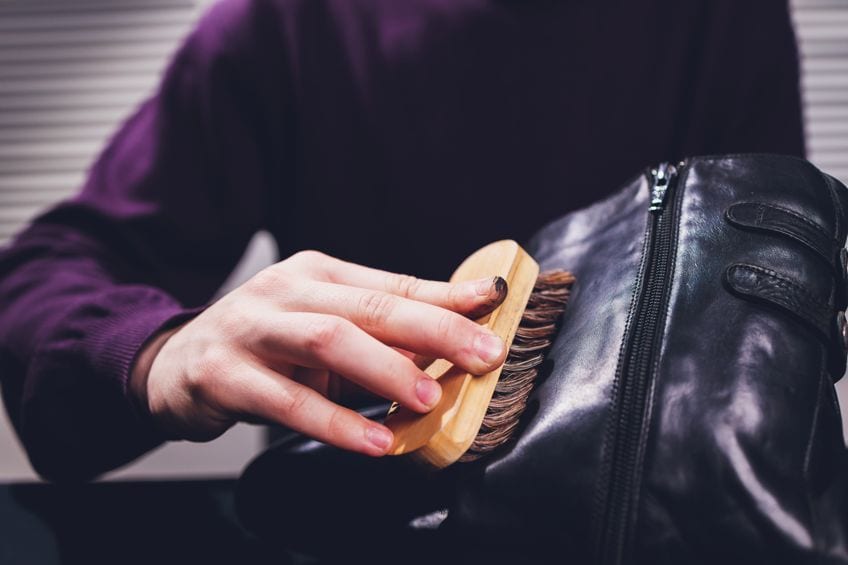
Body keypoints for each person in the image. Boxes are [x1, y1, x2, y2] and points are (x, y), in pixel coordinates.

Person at [0, 0, 805, 482]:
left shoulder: (721, 16)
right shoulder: (286, 24)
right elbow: (44, 275)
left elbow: (767, 301)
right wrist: (158, 352)